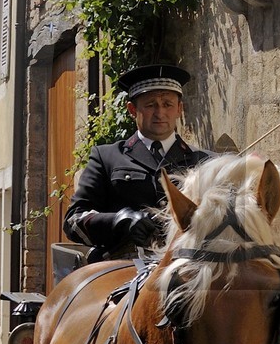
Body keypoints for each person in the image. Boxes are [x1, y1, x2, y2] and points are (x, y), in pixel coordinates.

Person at [64, 63, 210, 262]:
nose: (160, 113)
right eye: (150, 105)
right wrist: (119, 220)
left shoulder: (205, 162)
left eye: (167, 104)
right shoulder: (106, 157)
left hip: (187, 267)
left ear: (179, 109)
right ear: (132, 109)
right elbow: (73, 220)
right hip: (123, 266)